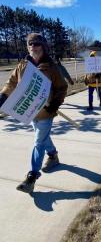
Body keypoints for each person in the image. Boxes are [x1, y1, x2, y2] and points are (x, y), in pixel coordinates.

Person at [0, 33, 68, 193]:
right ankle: (53, 155)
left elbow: (62, 88)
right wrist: (3, 95)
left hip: (46, 112)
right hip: (29, 112)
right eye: (30, 44)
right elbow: (11, 82)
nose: (33, 46)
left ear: (43, 46)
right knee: (43, 137)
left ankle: (32, 176)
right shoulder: (22, 65)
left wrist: (56, 103)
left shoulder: (51, 67)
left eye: (36, 44)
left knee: (38, 142)